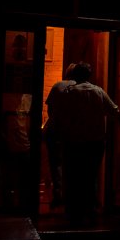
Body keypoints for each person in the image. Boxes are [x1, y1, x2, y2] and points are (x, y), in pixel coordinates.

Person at [48, 61, 120, 227]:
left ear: (75, 75)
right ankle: (90, 210)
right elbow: (115, 111)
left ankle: (74, 212)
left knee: (73, 177)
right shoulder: (98, 91)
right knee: (90, 176)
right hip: (95, 142)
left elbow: (56, 115)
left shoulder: (68, 92)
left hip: (73, 141)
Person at [43, 62, 78, 209]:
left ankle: (58, 194)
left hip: (55, 130)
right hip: (73, 132)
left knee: (55, 163)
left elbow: (50, 109)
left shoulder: (58, 86)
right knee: (72, 163)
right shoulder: (81, 87)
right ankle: (72, 195)